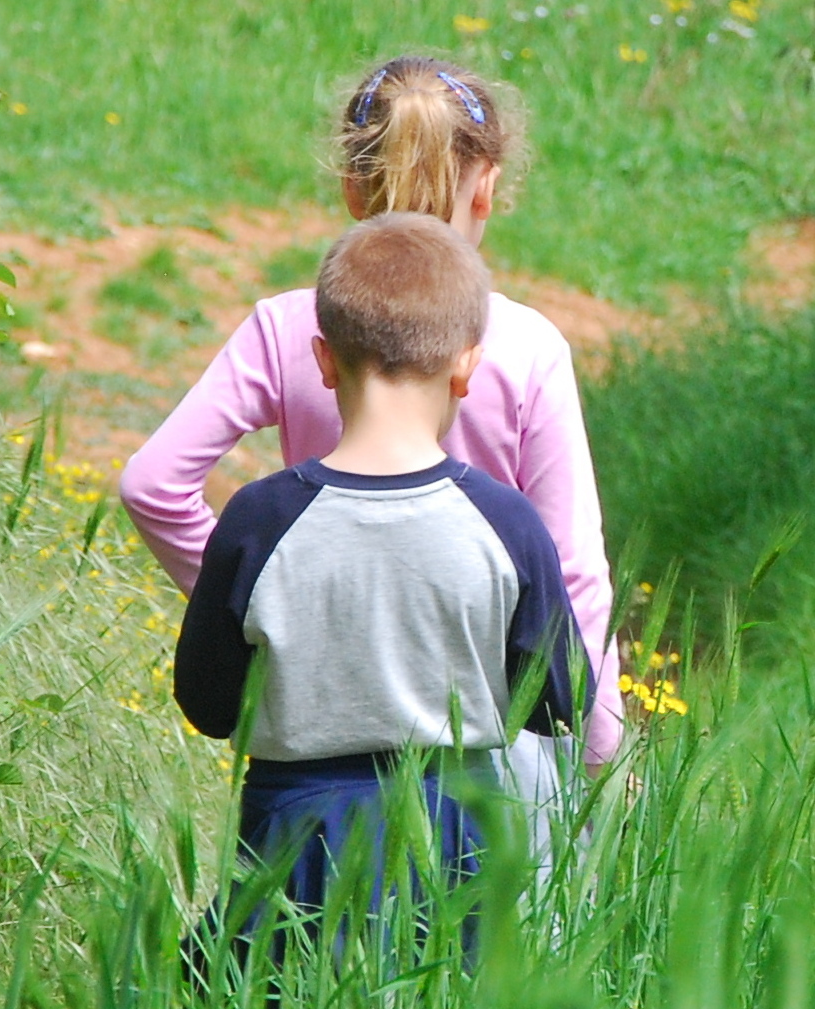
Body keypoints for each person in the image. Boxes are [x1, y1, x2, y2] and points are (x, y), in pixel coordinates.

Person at [119, 56, 622, 801]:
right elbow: (571, 568)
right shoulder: (524, 345)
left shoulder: (296, 328)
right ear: (486, 185)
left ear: (352, 185)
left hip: (324, 725)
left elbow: (152, 484)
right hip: (496, 735)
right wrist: (599, 747)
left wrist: (271, 600)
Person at [173, 211, 594, 967]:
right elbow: (564, 700)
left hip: (295, 840)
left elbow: (205, 701)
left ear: (324, 360)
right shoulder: (505, 522)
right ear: (467, 365)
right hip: (458, 838)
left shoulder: (259, 519)